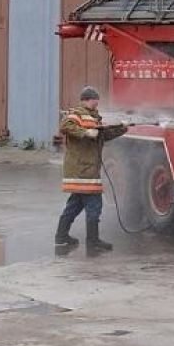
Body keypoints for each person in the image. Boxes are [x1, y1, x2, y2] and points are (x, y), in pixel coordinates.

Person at [54, 86, 127, 256]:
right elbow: (65, 126)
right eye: (95, 99)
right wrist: (86, 132)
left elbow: (102, 135)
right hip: (83, 171)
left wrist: (122, 128)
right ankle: (93, 242)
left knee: (74, 205)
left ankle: (61, 236)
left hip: (86, 170)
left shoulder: (95, 118)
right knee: (94, 205)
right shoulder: (77, 114)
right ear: (87, 99)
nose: (97, 102)